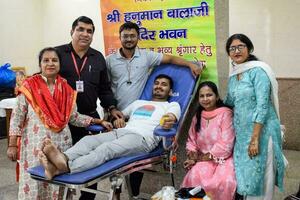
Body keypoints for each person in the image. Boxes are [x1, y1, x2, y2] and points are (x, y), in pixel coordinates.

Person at [106, 21, 203, 198]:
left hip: (142, 122)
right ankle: (118, 193)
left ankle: (133, 194)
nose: (128, 39)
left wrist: (190, 65)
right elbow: (104, 87)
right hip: (118, 113)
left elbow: (172, 59)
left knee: (131, 160)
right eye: (125, 36)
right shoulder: (110, 61)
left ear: (138, 37)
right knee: (113, 160)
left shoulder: (146, 56)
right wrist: (112, 112)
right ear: (119, 38)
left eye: (132, 35)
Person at [6, 47, 112, 200]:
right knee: (35, 183)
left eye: (54, 60)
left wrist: (97, 120)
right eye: (46, 60)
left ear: (59, 64)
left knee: (58, 184)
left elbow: (74, 117)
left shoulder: (66, 89)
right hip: (34, 147)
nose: (50, 63)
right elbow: (17, 117)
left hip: (61, 145)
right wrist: (12, 144)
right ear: (40, 64)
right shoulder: (29, 86)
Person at [39, 74, 181, 182]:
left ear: (170, 91)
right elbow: (119, 116)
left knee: (106, 149)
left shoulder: (171, 105)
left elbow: (171, 117)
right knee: (88, 140)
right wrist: (117, 120)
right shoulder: (138, 102)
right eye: (156, 83)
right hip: (120, 132)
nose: (159, 86)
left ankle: (68, 167)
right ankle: (61, 160)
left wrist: (168, 121)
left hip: (142, 139)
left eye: (164, 85)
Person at [56, 16, 122, 199]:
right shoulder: (58, 54)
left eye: (89, 31)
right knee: (62, 162)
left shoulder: (98, 57)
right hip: (62, 123)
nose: (85, 34)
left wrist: (111, 107)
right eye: (81, 29)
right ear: (72, 31)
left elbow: (104, 88)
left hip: (90, 121)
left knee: (91, 165)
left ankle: (87, 197)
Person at [224, 33, 286, 199]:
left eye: (240, 46)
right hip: (243, 135)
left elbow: (262, 105)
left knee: (262, 178)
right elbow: (229, 101)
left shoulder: (259, 71)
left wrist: (255, 139)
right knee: (246, 177)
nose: (236, 51)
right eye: (232, 48)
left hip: (262, 133)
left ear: (249, 48)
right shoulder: (233, 76)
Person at [181, 81, 236, 200]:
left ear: (216, 97)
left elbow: (226, 144)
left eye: (209, 95)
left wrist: (200, 158)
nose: (205, 99)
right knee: (194, 175)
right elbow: (191, 140)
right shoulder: (198, 115)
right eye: (202, 96)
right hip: (203, 160)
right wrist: (192, 157)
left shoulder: (225, 114)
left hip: (223, 160)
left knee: (225, 182)